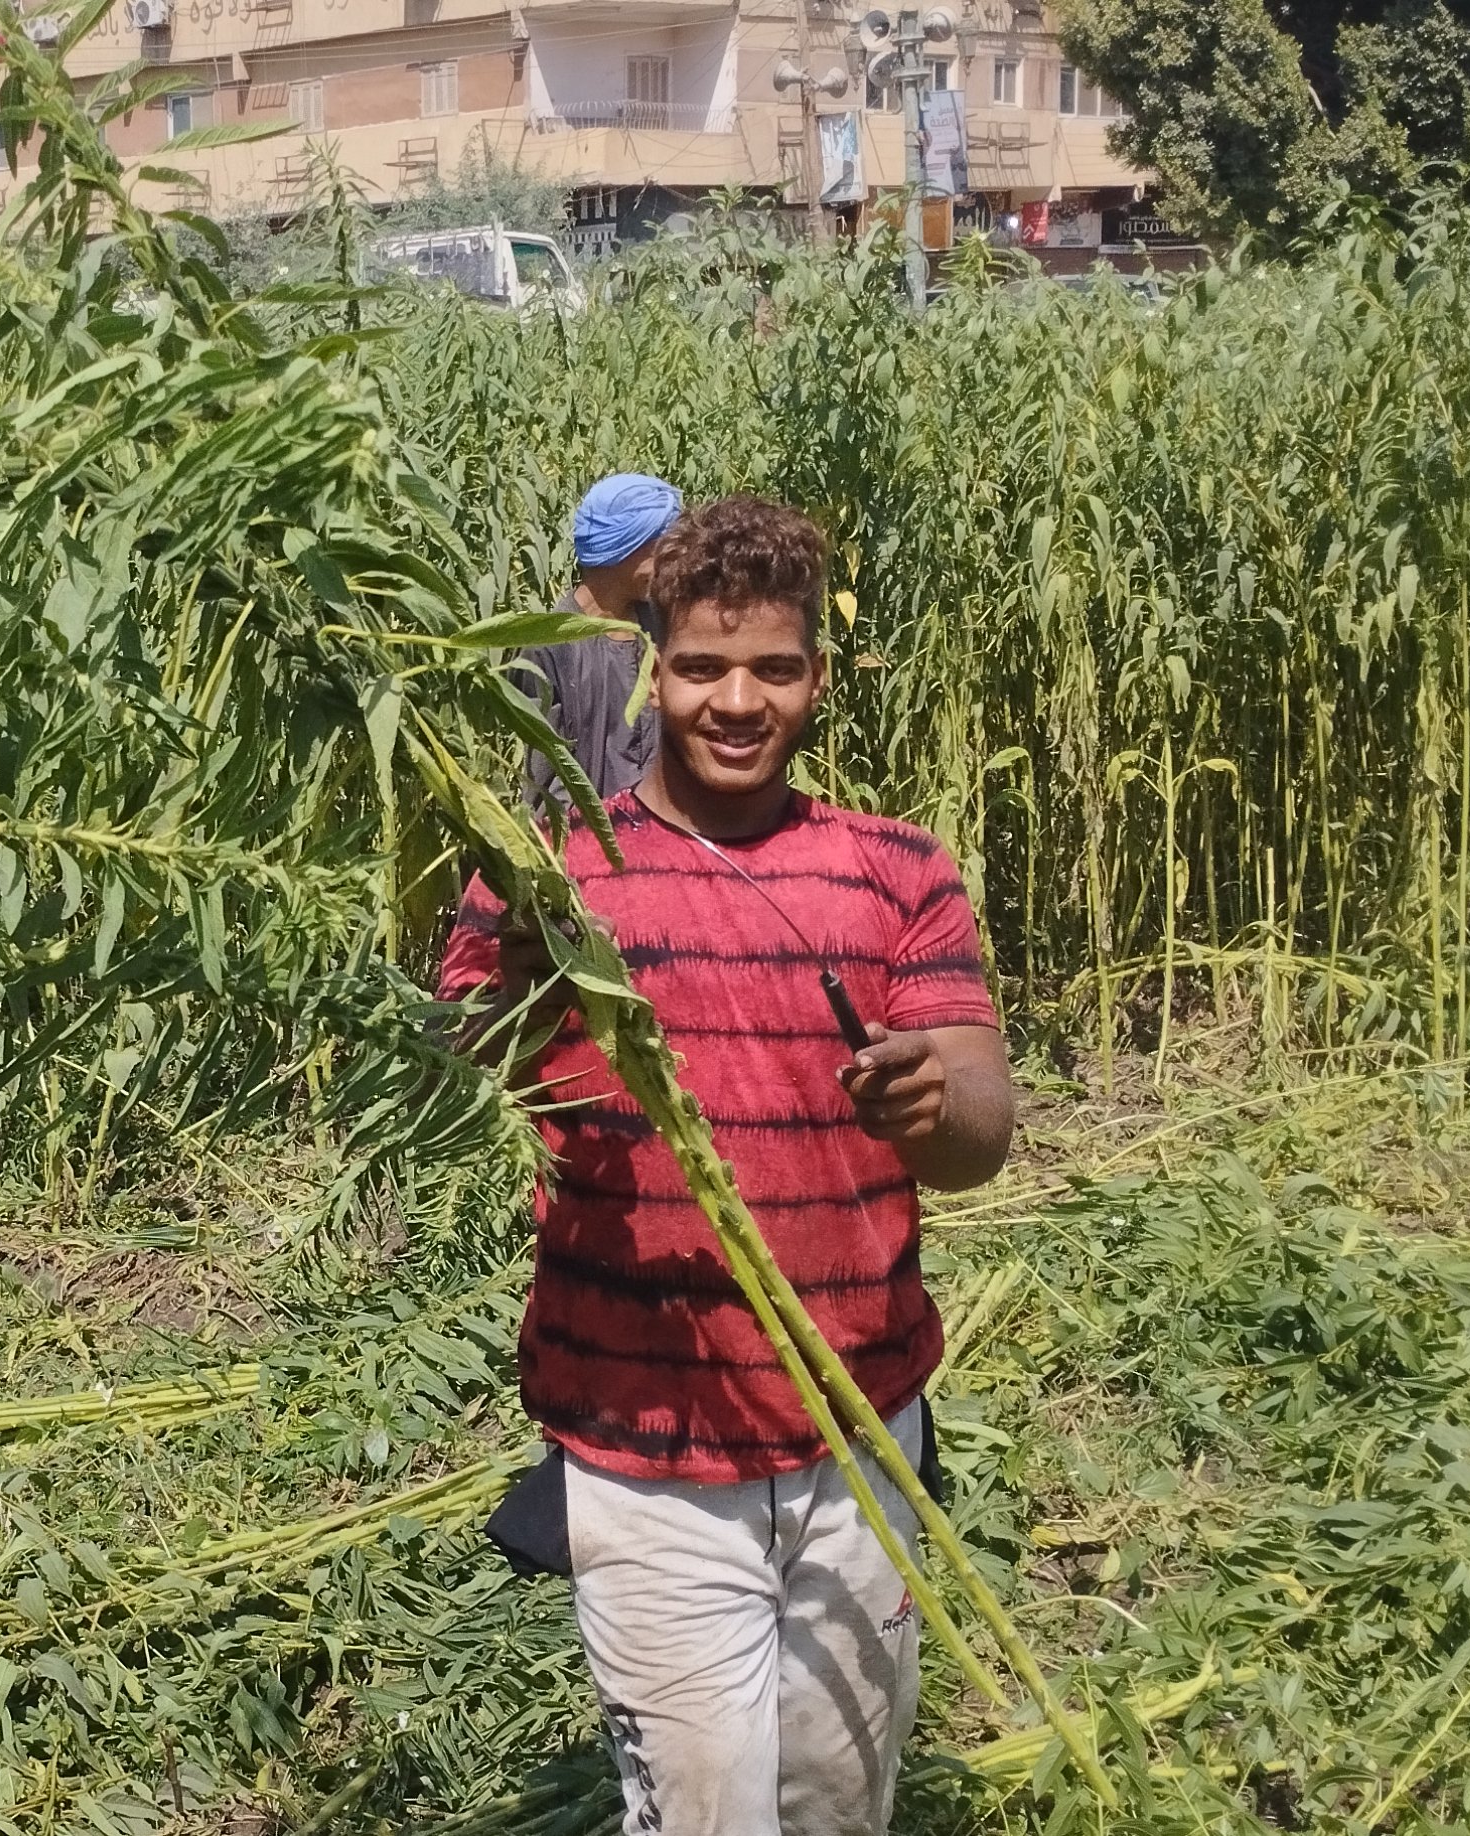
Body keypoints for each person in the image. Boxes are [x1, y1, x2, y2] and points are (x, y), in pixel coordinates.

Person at [439, 496, 1013, 1836]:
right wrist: (505, 999)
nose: (737, 700)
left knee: (833, 1803)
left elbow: (982, 1121)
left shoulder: (892, 869)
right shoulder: (551, 874)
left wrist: (935, 1100)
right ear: (652, 665)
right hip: (644, 1456)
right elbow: (444, 1069)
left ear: (820, 675)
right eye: (701, 665)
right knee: (706, 1816)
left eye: (775, 667)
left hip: (857, 1432)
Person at [523, 473, 684, 819]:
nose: (672, 567)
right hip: (589, 849)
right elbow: (545, 779)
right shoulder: (552, 644)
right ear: (624, 549)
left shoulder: (662, 625)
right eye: (663, 551)